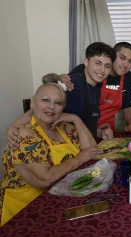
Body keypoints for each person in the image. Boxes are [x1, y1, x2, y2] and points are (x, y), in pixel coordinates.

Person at [0, 83, 103, 226]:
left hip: (60, 199)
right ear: (32, 103)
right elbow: (44, 179)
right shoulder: (24, 136)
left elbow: (92, 152)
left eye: (58, 103)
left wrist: (75, 119)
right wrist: (79, 158)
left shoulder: (64, 128)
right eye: (45, 100)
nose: (51, 107)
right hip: (25, 209)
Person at [60, 42, 131, 134]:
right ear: (86, 63)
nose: (102, 70)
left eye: (130, 61)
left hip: (103, 133)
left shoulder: (97, 87)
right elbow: (58, 85)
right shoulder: (79, 78)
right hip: (74, 138)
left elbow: (128, 105)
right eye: (122, 58)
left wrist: (130, 125)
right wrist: (57, 79)